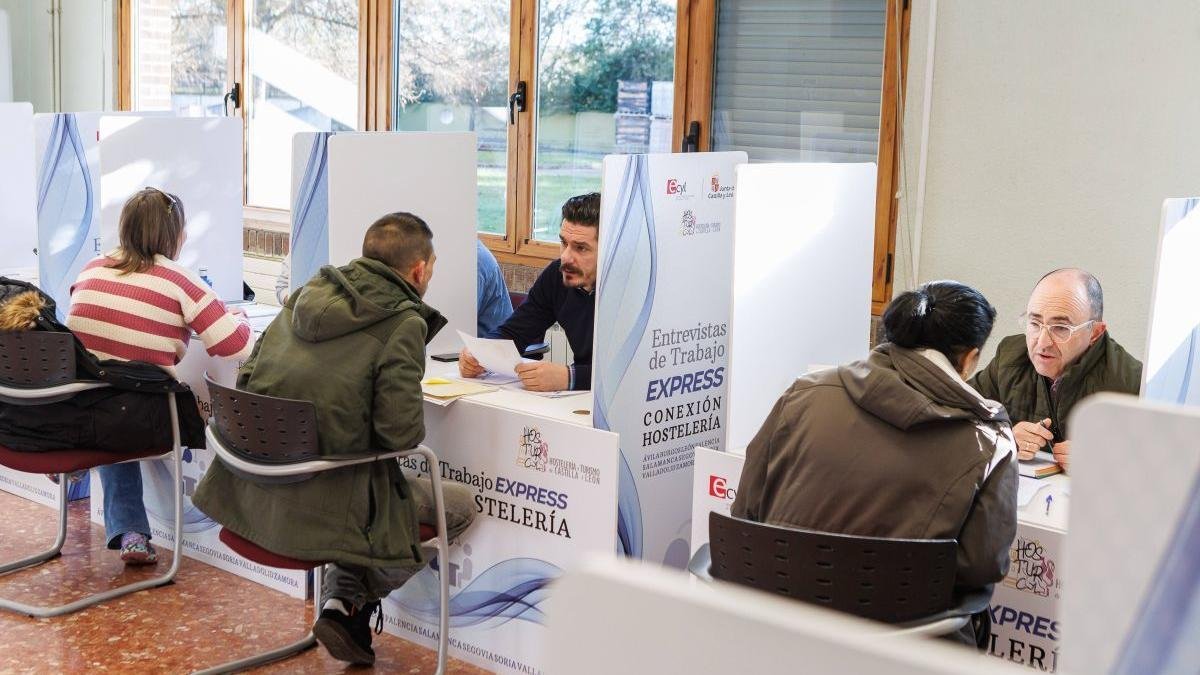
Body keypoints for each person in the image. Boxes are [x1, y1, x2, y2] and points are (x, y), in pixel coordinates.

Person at [194, 213, 477, 666]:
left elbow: (248, 376)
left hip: (254, 493)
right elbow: (399, 436)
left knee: (376, 489)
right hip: (325, 499)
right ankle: (348, 603)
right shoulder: (403, 323)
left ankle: (341, 606)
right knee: (457, 505)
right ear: (420, 270)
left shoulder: (305, 294)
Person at [731, 281, 1017, 647]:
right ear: (969, 359)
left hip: (777, 636)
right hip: (903, 649)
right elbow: (982, 566)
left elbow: (746, 511)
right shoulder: (988, 441)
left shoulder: (804, 393)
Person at [66, 188, 253, 564]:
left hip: (77, 410)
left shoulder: (92, 269)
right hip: (140, 416)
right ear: (173, 234)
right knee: (125, 408)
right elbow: (236, 346)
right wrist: (239, 318)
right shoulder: (178, 280)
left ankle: (129, 529)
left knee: (112, 406)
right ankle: (133, 533)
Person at [970, 268, 1142, 472]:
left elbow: (1161, 467)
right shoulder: (1010, 356)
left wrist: (1106, 461)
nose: (1042, 342)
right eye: (1034, 323)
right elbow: (955, 419)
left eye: (1061, 328)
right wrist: (1001, 437)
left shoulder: (1131, 383)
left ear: (1095, 332)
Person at [459, 192, 599, 391]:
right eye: (564, 243)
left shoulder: (629, 290)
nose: (566, 257)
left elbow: (632, 373)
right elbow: (515, 331)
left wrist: (570, 377)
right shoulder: (557, 276)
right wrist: (479, 353)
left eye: (581, 248)